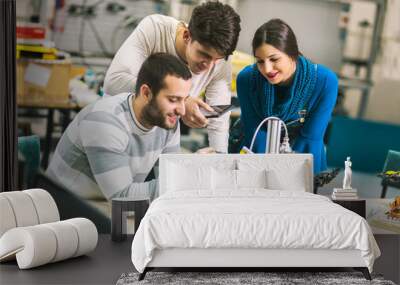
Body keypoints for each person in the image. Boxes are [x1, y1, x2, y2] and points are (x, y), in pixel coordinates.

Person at [46, 53, 192, 201]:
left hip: (104, 205)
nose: (182, 110)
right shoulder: (104, 120)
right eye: (173, 99)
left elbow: (169, 177)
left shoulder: (168, 122)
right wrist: (189, 181)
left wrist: (197, 168)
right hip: (64, 206)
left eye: (184, 100)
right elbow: (121, 197)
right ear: (146, 93)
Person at [103, 1, 241, 153]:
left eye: (217, 59)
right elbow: (113, 82)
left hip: (158, 143)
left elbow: (218, 123)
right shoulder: (155, 29)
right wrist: (183, 100)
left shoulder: (221, 62)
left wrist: (219, 159)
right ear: (187, 35)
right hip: (116, 130)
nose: (209, 66)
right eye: (204, 55)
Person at [236, 19, 338, 173]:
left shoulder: (324, 82)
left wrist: (288, 176)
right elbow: (255, 134)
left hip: (302, 158)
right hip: (255, 154)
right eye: (260, 62)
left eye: (274, 59)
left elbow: (310, 138)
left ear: (292, 53)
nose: (267, 69)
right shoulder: (247, 80)